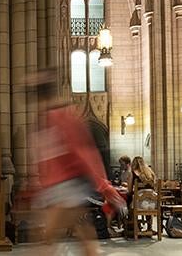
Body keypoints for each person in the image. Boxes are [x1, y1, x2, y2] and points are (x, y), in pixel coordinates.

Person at [29, 68, 124, 256]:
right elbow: (46, 159)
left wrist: (104, 186)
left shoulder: (61, 116)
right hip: (58, 187)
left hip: (69, 185)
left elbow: (81, 151)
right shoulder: (44, 118)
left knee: (48, 235)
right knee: (81, 232)